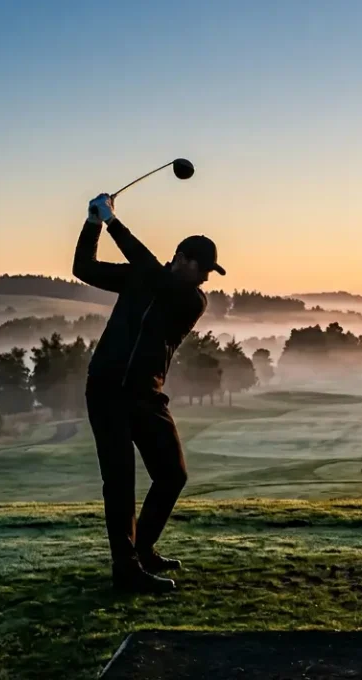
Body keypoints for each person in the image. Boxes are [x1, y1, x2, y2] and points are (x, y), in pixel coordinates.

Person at [72, 192, 225, 593]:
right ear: (183, 259)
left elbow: (152, 272)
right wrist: (93, 224)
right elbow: (83, 267)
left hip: (146, 393)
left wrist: (113, 222)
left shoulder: (191, 299)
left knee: (172, 473)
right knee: (120, 480)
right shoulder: (143, 276)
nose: (208, 277)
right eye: (204, 268)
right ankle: (126, 568)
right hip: (106, 389)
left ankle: (142, 549)